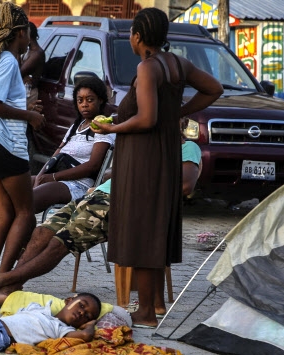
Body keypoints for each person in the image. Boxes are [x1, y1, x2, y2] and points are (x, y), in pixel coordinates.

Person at [91, 8, 223, 328]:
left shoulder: (148, 67)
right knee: (151, 231)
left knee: (142, 231)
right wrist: (179, 111)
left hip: (145, 157)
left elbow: (146, 119)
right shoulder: (177, 63)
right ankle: (148, 308)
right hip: (162, 153)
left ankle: (147, 312)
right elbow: (213, 88)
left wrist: (112, 130)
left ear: (137, 36)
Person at [0, 134, 203, 308]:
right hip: (98, 194)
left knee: (61, 241)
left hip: (122, 204)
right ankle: (10, 289)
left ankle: (2, 280)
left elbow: (186, 185)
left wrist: (139, 184)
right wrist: (108, 179)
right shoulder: (149, 145)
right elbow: (118, 172)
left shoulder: (186, 147)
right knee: (43, 232)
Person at [0, 76, 114, 268]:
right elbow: (57, 154)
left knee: (25, 201)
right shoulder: (76, 126)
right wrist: (41, 176)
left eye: (90, 99)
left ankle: (18, 252)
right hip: (55, 176)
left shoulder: (103, 127)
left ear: (101, 101)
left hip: (79, 184)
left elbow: (93, 166)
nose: (85, 105)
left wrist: (51, 177)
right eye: (80, 100)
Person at [0, 2, 46, 276]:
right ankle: (3, 278)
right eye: (27, 31)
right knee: (25, 214)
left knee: (3, 214)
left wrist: (24, 110)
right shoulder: (8, 61)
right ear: (19, 33)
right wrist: (29, 116)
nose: (29, 37)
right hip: (5, 144)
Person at [20, 22, 45, 106]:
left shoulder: (37, 53)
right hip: (24, 91)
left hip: (29, 93)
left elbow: (20, 72)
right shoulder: (28, 50)